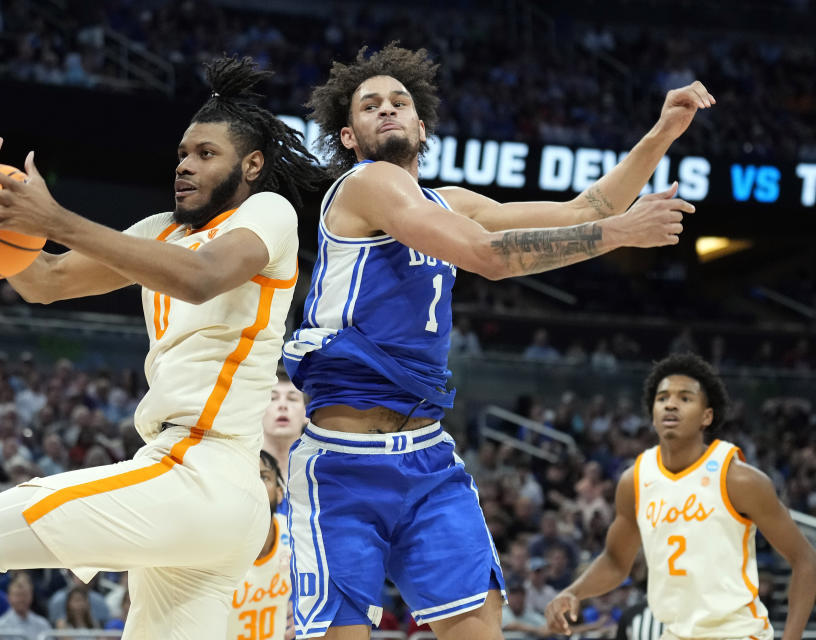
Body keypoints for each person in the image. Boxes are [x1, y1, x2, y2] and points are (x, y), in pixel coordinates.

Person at [282, 43, 714, 639]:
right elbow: (487, 258)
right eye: (370, 105)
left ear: (421, 125)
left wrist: (662, 133)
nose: (387, 110)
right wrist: (617, 234)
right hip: (341, 466)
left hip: (427, 458)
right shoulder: (367, 185)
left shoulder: (452, 204)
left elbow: (584, 206)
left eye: (400, 101)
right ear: (349, 137)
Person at [0, 56, 324, 639]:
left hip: (202, 472)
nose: (184, 165)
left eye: (206, 154)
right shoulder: (157, 232)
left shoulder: (268, 213)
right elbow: (49, 281)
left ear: (252, 165)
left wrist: (56, 218)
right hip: (201, 499)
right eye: (182, 152)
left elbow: (201, 276)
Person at [545, 354, 816, 640]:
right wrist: (573, 591)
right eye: (662, 398)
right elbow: (615, 561)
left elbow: (804, 559)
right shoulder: (635, 480)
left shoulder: (738, 479)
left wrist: (792, 637)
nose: (671, 404)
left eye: (685, 398)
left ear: (706, 416)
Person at [226, 451, 293, 640]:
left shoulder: (295, 534)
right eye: (247, 478)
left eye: (263, 477)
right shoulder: (216, 543)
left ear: (280, 493)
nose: (255, 486)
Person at [261, 371, 308, 486]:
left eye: (292, 399)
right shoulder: (240, 468)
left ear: (307, 414)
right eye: (272, 398)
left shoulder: (318, 472)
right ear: (258, 410)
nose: (282, 405)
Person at [0, 573, 51, 639]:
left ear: (31, 596)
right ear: (9, 597)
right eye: (17, 595)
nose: (21, 599)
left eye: (24, 594)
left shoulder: (43, 624)